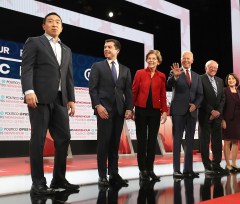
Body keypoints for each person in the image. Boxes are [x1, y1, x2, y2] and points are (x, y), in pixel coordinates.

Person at [21, 12, 79, 195]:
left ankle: (58, 179)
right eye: (51, 22)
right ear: (43, 25)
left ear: (62, 27)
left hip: (61, 100)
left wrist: (71, 99)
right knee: (38, 141)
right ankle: (38, 183)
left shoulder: (67, 49)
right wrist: (28, 90)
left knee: (64, 138)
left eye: (58, 22)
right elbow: (27, 67)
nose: (55, 24)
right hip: (39, 98)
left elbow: (68, 76)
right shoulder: (35, 41)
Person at [89, 39, 133, 187]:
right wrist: (97, 105)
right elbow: (93, 89)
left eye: (109, 47)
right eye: (105, 46)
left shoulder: (125, 69)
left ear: (117, 50)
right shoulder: (97, 66)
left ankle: (113, 173)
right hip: (104, 110)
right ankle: (102, 176)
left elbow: (128, 91)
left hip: (119, 111)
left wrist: (129, 108)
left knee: (115, 143)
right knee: (103, 143)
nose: (106, 49)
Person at [132, 50, 167, 181]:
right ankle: (142, 170)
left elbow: (163, 95)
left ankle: (150, 169)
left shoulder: (162, 76)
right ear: (147, 60)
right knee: (141, 141)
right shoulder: (140, 73)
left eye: (154, 58)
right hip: (141, 110)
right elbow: (134, 91)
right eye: (149, 58)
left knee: (152, 142)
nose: (151, 60)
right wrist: (130, 108)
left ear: (158, 61)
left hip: (155, 112)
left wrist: (164, 111)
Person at [167, 51, 203, 178]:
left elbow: (200, 94)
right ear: (181, 60)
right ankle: (176, 170)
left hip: (192, 112)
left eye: (188, 59)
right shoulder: (175, 71)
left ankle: (188, 169)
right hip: (178, 111)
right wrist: (175, 77)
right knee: (177, 141)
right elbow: (169, 84)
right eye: (184, 58)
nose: (186, 60)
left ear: (192, 60)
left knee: (189, 141)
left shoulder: (197, 76)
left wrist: (195, 105)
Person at [198, 60, 229, 176]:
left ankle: (217, 165)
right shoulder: (200, 79)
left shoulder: (220, 81)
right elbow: (200, 97)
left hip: (217, 116)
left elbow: (223, 98)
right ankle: (207, 166)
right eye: (210, 67)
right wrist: (211, 111)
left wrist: (218, 112)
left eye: (215, 67)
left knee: (216, 141)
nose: (213, 69)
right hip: (205, 115)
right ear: (206, 68)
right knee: (205, 142)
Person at [222, 73, 240, 173]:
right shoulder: (224, 91)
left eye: (233, 79)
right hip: (227, 120)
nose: (231, 80)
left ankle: (233, 163)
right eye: (229, 79)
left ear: (236, 80)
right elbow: (221, 106)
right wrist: (222, 119)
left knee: (235, 142)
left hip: (238, 120)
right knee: (227, 142)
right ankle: (228, 164)